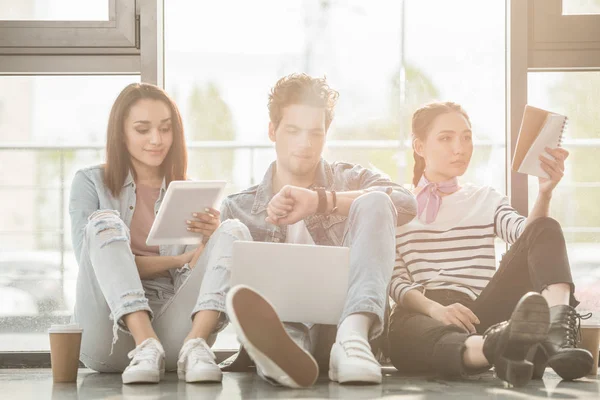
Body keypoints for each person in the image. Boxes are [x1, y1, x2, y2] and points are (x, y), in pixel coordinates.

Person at [220, 73, 417, 388]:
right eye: (294, 131)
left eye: (315, 133)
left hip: (347, 327)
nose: (305, 144)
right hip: (283, 331)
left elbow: (406, 203)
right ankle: (283, 355)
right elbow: (225, 296)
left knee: (377, 201)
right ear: (272, 131)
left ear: (326, 133)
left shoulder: (348, 179)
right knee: (284, 330)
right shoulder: (238, 208)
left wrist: (320, 201)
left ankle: (352, 338)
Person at [387, 101, 593, 387]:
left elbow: (528, 237)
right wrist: (436, 310)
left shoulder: (486, 198)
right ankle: (500, 349)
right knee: (400, 336)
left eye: (466, 137)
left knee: (545, 227)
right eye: (446, 138)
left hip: (482, 310)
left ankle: (555, 327)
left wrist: (544, 192)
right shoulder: (395, 205)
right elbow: (395, 281)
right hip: (427, 310)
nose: (459, 148)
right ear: (419, 146)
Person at [69, 83, 252, 384]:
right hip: (107, 335)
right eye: (143, 129)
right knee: (104, 222)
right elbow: (89, 259)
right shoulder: (90, 183)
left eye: (165, 129)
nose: (156, 140)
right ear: (121, 133)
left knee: (234, 229)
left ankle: (195, 345)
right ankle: (145, 343)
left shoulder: (187, 192)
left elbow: (191, 272)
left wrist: (208, 244)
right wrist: (178, 259)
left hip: (174, 333)